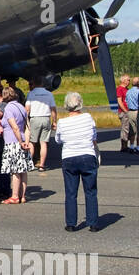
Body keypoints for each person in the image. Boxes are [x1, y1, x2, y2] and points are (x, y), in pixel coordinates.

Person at [54, 92, 98, 231]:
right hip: (87, 154)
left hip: (69, 156)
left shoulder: (62, 122)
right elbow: (93, 135)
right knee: (90, 191)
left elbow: (58, 140)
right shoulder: (88, 117)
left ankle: (71, 223)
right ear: (80, 104)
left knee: (71, 192)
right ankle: (93, 223)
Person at [0, 86, 34, 204]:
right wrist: (26, 142)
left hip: (13, 142)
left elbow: (14, 127)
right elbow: (28, 127)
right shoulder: (21, 107)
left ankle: (14, 196)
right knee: (23, 170)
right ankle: (22, 196)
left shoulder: (8, 108)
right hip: (24, 141)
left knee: (15, 171)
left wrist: (19, 141)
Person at [25, 81, 56, 170]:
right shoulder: (49, 94)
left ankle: (29, 164)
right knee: (44, 143)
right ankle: (42, 165)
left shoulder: (31, 93)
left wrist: (26, 121)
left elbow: (27, 109)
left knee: (32, 142)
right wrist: (54, 121)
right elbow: (53, 109)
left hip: (35, 118)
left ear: (34, 84)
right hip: (46, 118)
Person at [125, 76, 139, 153]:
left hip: (130, 112)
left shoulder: (128, 92)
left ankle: (131, 146)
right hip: (137, 112)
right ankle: (138, 147)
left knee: (132, 131)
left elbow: (126, 101)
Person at [116, 74, 132, 151]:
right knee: (125, 128)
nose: (129, 81)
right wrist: (125, 111)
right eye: (128, 80)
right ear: (123, 80)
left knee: (128, 128)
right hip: (123, 112)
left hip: (128, 111)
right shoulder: (120, 89)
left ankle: (126, 145)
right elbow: (119, 101)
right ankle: (123, 146)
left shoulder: (127, 89)